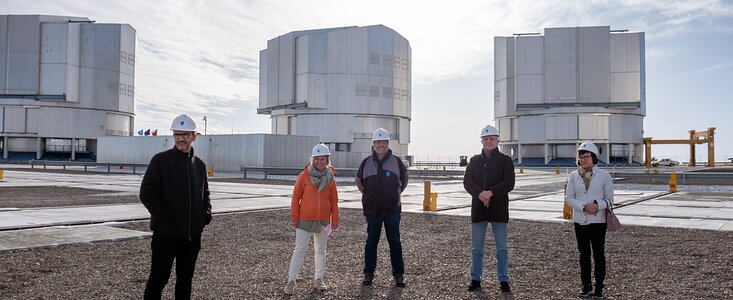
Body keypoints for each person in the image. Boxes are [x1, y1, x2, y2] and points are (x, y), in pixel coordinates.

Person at [139, 114, 212, 300]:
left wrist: (205, 214)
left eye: (185, 134)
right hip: (166, 235)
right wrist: (165, 217)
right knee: (158, 278)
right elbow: (147, 193)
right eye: (177, 134)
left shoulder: (199, 165)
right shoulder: (160, 161)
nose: (181, 138)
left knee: (185, 279)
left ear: (194, 136)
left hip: (191, 237)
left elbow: (205, 193)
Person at [463, 124, 515, 293]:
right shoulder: (474, 161)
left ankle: (503, 280)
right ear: (481, 141)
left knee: (502, 247)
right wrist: (480, 194)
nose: (488, 142)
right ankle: (475, 279)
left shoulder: (505, 160)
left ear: (498, 140)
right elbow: (467, 182)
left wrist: (490, 193)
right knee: (477, 247)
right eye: (486, 139)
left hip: (499, 209)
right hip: (479, 209)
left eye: (492, 139)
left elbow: (509, 182)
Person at [355, 128, 408, 287]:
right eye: (378, 142)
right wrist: (368, 196)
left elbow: (403, 180)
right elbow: (359, 181)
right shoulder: (366, 162)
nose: (381, 145)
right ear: (373, 144)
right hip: (373, 210)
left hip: (392, 210)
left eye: (383, 142)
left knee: (395, 242)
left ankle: (398, 275)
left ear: (387, 143)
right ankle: (368, 273)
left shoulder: (396, 161)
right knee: (371, 242)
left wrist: (395, 195)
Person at [284, 144, 340, 295]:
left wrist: (335, 219)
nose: (320, 162)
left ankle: (318, 279)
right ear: (313, 159)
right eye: (317, 159)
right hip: (304, 219)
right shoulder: (304, 176)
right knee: (299, 250)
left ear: (327, 160)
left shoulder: (331, 179)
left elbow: (334, 201)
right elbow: (296, 198)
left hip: (323, 221)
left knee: (320, 251)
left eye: (323, 159)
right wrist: (295, 217)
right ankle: (291, 280)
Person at [566, 141, 614, 298]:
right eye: (581, 157)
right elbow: (569, 198)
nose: (584, 159)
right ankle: (586, 286)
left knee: (599, 254)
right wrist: (583, 207)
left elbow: (610, 200)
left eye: (587, 156)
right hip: (580, 221)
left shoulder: (604, 176)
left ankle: (599, 288)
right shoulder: (573, 176)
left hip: (598, 221)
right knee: (583, 254)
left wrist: (596, 205)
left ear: (594, 157)